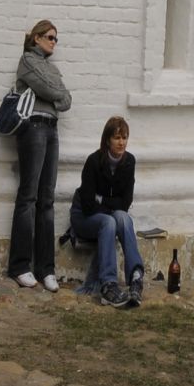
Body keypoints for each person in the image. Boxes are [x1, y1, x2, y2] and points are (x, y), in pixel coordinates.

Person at [9, 18, 72, 290]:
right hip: (32, 128)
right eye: (49, 37)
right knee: (29, 196)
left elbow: (66, 101)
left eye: (56, 38)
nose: (53, 42)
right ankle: (20, 266)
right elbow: (51, 90)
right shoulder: (27, 61)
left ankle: (46, 269)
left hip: (52, 130)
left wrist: (55, 90)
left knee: (47, 199)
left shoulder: (51, 67)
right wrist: (55, 90)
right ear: (36, 38)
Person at [69, 115, 145, 308]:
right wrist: (111, 205)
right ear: (107, 140)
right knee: (110, 221)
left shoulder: (129, 162)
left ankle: (136, 277)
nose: (122, 142)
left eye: (125, 137)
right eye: (117, 138)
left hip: (107, 214)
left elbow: (125, 203)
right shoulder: (94, 161)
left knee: (123, 217)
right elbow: (87, 204)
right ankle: (108, 285)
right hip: (84, 217)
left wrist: (103, 200)